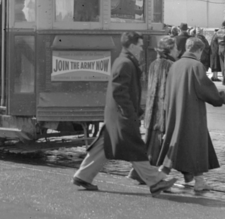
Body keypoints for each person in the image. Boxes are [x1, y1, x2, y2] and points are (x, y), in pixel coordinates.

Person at [72, 32, 177, 196]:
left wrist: (137, 111)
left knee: (104, 145)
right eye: (141, 46)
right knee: (135, 148)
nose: (142, 49)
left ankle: (83, 176)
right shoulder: (126, 63)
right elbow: (119, 93)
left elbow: (122, 92)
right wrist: (131, 114)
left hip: (116, 116)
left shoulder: (124, 61)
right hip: (122, 117)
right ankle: (155, 181)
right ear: (133, 46)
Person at [155, 38, 225, 193]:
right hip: (192, 115)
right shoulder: (196, 66)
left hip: (176, 113)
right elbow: (206, 89)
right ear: (199, 51)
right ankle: (160, 177)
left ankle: (199, 181)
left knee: (186, 145)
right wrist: (221, 98)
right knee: (192, 145)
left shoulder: (175, 65)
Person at [133, 36, 175, 172]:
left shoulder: (153, 64)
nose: (178, 50)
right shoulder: (170, 65)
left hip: (152, 109)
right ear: (170, 49)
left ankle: (141, 171)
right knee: (161, 144)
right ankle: (150, 173)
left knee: (151, 143)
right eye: (175, 48)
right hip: (163, 110)